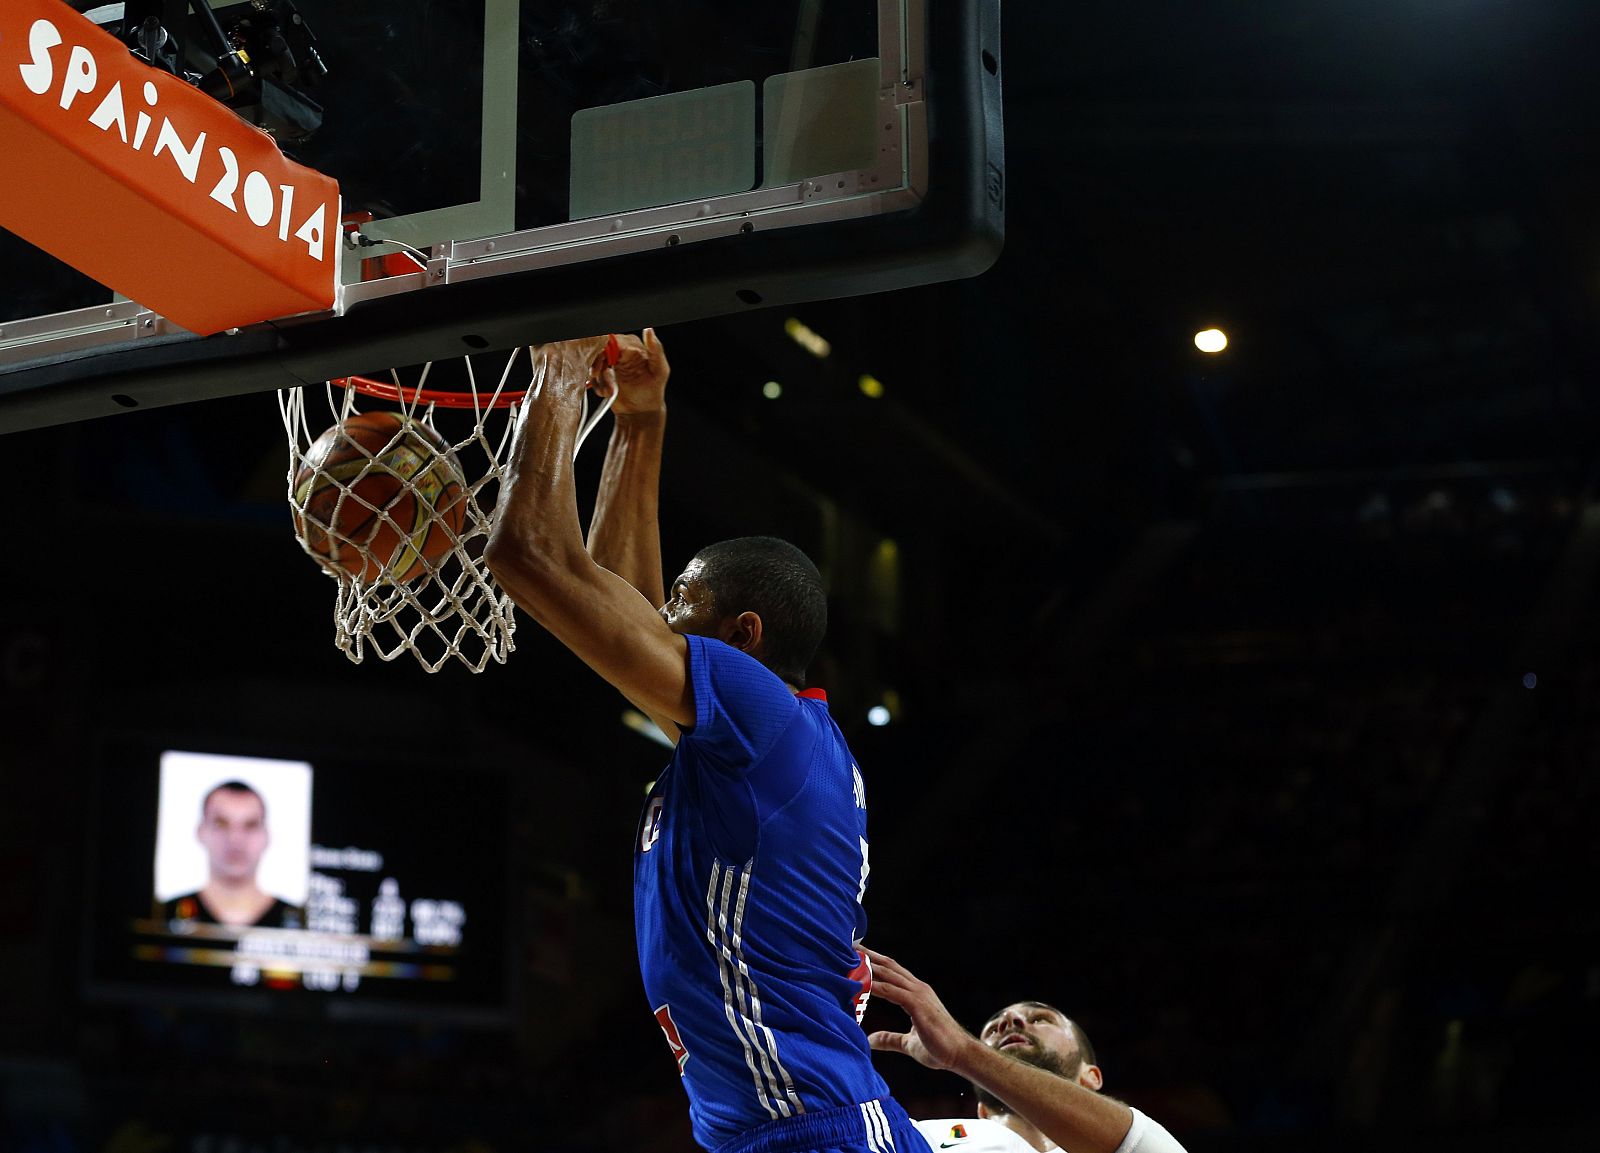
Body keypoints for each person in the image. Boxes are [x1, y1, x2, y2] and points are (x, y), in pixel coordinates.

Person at [484, 332, 927, 1153]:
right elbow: (624, 603)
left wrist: (556, 382)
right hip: (784, 1128)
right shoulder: (758, 746)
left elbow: (530, 556)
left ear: (742, 635)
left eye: (683, 601)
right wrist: (639, 422)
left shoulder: (765, 720)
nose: (660, 620)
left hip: (818, 1129)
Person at [863, 948, 1187, 1153]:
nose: (1012, 1020)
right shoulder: (925, 1138)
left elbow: (1140, 1142)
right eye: (992, 1028)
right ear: (982, 1110)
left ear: (1091, 1077)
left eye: (1040, 1018)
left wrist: (962, 1051)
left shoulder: (1141, 1142)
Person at [163, 780, 304, 929]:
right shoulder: (164, 916)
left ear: (266, 836)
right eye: (221, 824)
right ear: (201, 832)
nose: (235, 839)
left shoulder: (300, 923)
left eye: (250, 825)